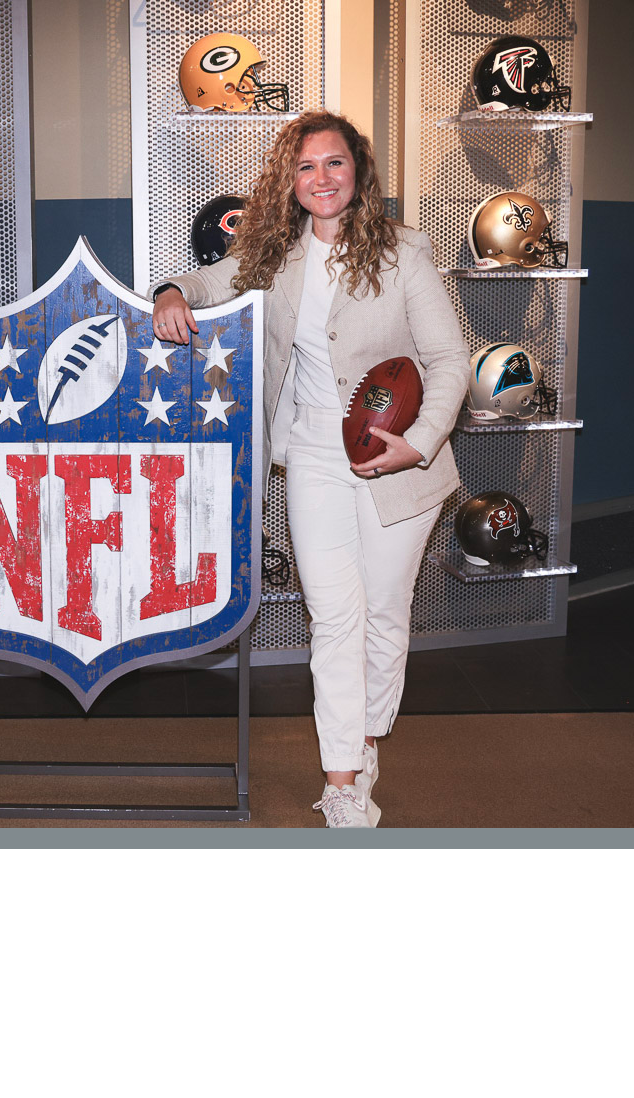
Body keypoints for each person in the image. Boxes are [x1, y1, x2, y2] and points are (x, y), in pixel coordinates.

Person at [151, 111, 468, 828]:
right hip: (316, 457)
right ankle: (343, 781)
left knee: (385, 615)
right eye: (304, 167)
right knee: (333, 617)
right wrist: (168, 293)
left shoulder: (404, 254)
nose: (319, 178)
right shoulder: (275, 255)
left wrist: (416, 441)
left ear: (356, 171)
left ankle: (364, 738)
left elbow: (448, 361)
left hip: (400, 460)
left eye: (332, 163)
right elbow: (205, 281)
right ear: (288, 182)